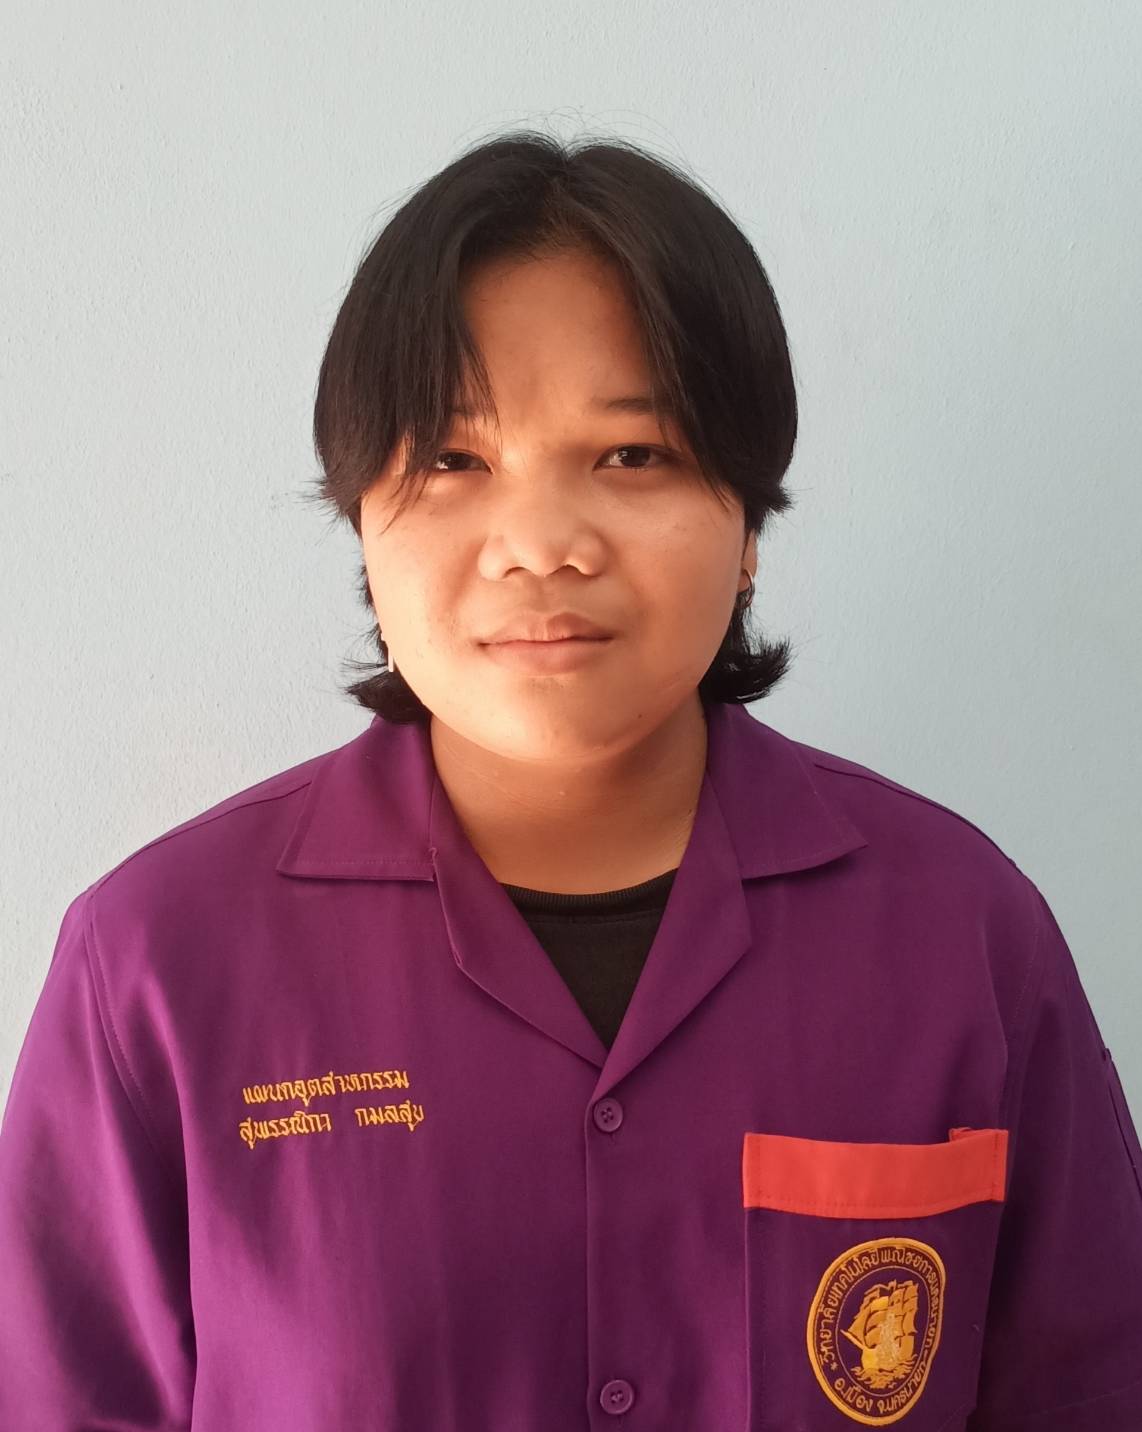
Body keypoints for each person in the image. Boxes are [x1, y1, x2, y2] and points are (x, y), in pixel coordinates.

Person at [2, 129, 1141, 1431]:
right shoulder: (156, 964)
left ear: (749, 520)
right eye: (452, 462)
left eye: (632, 456)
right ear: (361, 523)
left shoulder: (959, 931)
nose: (540, 546)